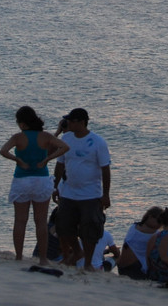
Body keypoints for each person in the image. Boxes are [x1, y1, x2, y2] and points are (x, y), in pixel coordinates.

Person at [0, 105, 69, 265]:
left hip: (22, 180)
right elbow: (65, 147)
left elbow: (3, 151)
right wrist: (47, 159)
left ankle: (18, 257)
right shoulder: (45, 136)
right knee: (41, 221)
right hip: (41, 180)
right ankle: (43, 258)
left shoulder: (18, 137)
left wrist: (17, 160)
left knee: (20, 220)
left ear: (22, 123)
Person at [51, 107, 111, 269]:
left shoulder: (97, 142)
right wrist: (55, 186)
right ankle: (76, 252)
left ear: (82, 122)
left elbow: (105, 169)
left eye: (71, 121)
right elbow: (60, 164)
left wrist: (106, 194)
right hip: (68, 192)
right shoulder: (66, 138)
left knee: (89, 229)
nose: (68, 123)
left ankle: (88, 263)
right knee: (63, 226)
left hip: (91, 194)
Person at [116, 206, 163, 279]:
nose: (161, 224)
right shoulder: (154, 234)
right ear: (150, 217)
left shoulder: (134, 226)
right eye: (159, 221)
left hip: (122, 268)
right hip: (135, 269)